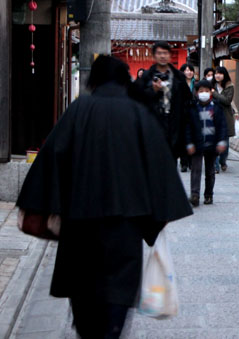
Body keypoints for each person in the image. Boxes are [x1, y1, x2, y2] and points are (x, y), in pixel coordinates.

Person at [16, 55, 193, 338]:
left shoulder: (79, 110)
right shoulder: (139, 115)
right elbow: (160, 172)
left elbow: (52, 158)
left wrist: (48, 206)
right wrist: (149, 223)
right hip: (124, 232)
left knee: (85, 310)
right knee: (115, 310)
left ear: (93, 79)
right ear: (124, 80)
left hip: (80, 229)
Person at [135, 41, 193, 160]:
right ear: (154, 55)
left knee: (171, 164)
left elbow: (188, 100)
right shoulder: (146, 77)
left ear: (170, 55)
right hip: (153, 126)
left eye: (165, 53)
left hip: (174, 126)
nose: (162, 56)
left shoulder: (179, 77)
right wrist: (153, 91)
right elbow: (137, 100)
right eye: (159, 53)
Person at [186, 80, 228, 206]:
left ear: (211, 92)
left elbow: (222, 126)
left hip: (212, 144)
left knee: (210, 171)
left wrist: (221, 141)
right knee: (196, 170)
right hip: (197, 144)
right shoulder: (193, 108)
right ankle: (195, 195)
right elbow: (188, 127)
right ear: (196, 93)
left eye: (206, 91)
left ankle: (208, 195)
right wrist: (189, 143)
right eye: (201, 91)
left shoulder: (216, 107)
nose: (203, 93)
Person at [211, 66, 235, 172]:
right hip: (213, 117)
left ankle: (222, 161)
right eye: (216, 73)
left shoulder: (230, 86)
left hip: (225, 117)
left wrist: (214, 93)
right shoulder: (211, 85)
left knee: (225, 142)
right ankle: (215, 165)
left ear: (224, 75)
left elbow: (226, 101)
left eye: (220, 73)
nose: (217, 75)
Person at [179, 63, 196, 172]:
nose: (189, 72)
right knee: (183, 139)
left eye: (191, 70)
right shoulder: (179, 84)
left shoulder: (197, 84)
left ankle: (191, 161)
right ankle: (183, 162)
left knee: (192, 139)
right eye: (186, 70)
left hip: (194, 114)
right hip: (182, 114)